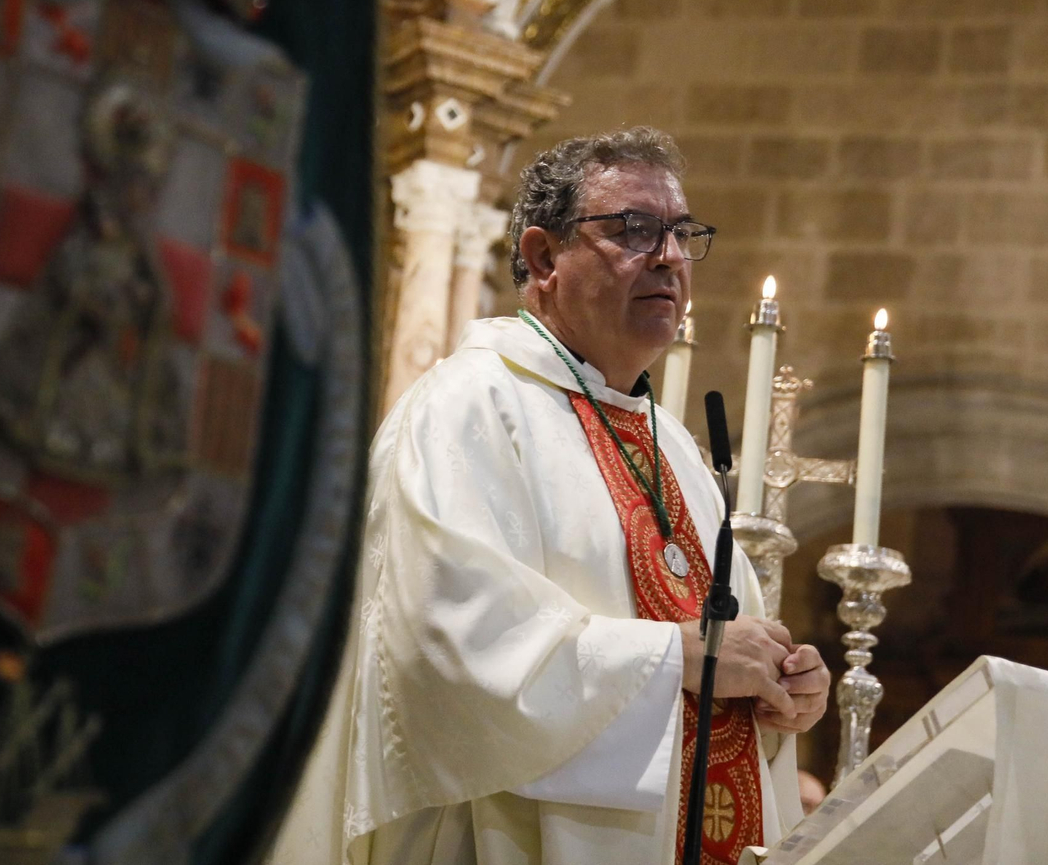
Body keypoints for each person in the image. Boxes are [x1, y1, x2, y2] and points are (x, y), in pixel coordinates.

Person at [269, 127, 830, 865]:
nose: (667, 256)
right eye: (632, 229)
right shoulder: (466, 407)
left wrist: (784, 695)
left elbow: (725, 656)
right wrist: (676, 657)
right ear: (542, 258)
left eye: (681, 233)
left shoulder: (678, 451)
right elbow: (446, 654)